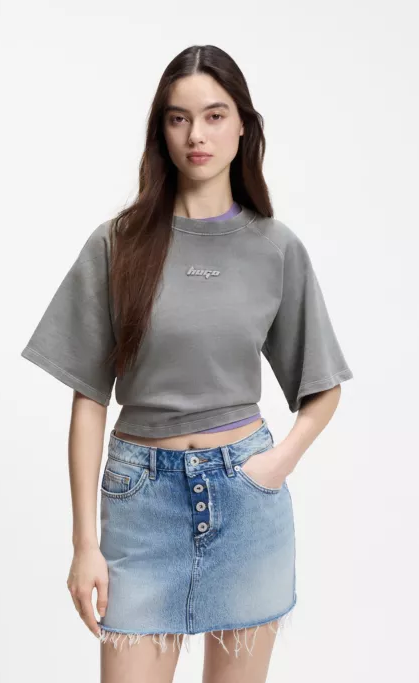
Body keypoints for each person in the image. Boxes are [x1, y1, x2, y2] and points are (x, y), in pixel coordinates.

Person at [21, 44, 353, 682]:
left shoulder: (275, 247)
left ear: (243, 127)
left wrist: (275, 465)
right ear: (162, 130)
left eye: (214, 116)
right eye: (178, 118)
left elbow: (323, 387)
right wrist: (84, 544)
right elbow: (89, 401)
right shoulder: (118, 244)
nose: (196, 135)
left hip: (246, 502)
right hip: (140, 504)